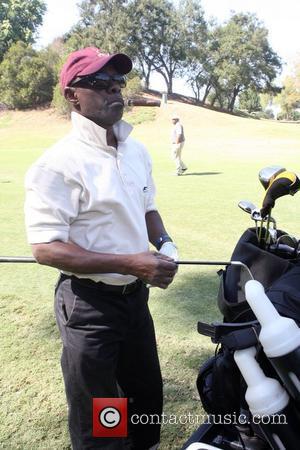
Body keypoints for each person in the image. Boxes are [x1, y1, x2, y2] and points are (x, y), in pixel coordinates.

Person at [24, 47, 179, 450]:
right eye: (99, 83)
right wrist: (131, 262)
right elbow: (45, 248)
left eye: (118, 82)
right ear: (73, 95)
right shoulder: (57, 164)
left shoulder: (136, 150)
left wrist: (165, 243)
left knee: (144, 398)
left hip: (134, 301)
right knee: (103, 414)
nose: (114, 90)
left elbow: (147, 207)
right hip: (89, 305)